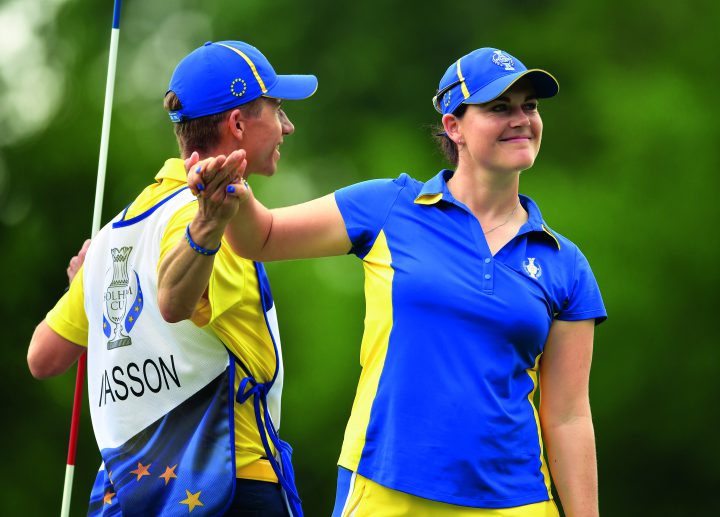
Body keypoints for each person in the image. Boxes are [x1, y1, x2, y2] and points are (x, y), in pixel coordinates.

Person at [187, 47, 607, 516]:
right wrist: (233, 195)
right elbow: (262, 237)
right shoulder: (389, 206)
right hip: (387, 489)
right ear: (454, 126)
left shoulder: (564, 262)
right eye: (498, 108)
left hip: (517, 501)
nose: (521, 119)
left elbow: (568, 416)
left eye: (529, 106)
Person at [27, 40, 318, 517]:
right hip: (229, 485)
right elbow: (172, 302)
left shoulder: (112, 236)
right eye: (276, 109)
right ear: (238, 123)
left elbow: (43, 355)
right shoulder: (217, 215)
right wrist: (207, 230)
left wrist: (86, 288)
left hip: (130, 496)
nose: (288, 126)